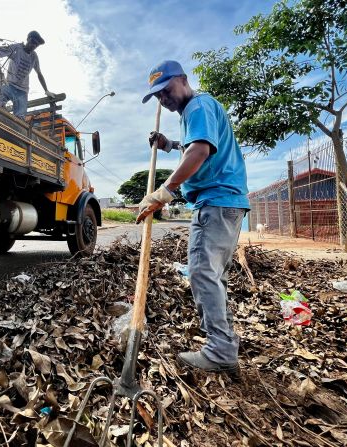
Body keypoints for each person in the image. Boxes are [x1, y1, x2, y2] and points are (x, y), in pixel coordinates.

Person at [137, 60, 249, 376]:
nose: (164, 99)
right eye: (157, 96)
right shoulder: (197, 110)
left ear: (183, 80)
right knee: (213, 276)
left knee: (201, 273)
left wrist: (165, 191)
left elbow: (199, 152)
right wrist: (168, 144)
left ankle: (220, 352)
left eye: (166, 90)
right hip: (226, 203)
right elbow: (192, 146)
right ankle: (224, 343)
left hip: (215, 202)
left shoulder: (198, 106)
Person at [0, 31, 56, 119]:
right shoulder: (16, 48)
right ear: (28, 39)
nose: (34, 46)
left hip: (22, 91)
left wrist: (46, 90)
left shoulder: (34, 57)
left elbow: (39, 73)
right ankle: (0, 113)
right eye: (33, 42)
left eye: (36, 45)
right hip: (9, 84)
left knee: (20, 117)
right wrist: (0, 73)